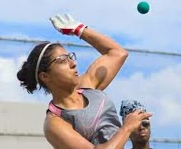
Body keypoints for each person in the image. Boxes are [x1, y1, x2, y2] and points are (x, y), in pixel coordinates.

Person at [17, 14, 152, 148]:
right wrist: (126, 128)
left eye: (70, 57)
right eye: (63, 60)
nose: (73, 63)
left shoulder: (87, 86)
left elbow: (117, 53)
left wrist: (79, 30)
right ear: (45, 76)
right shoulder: (55, 123)